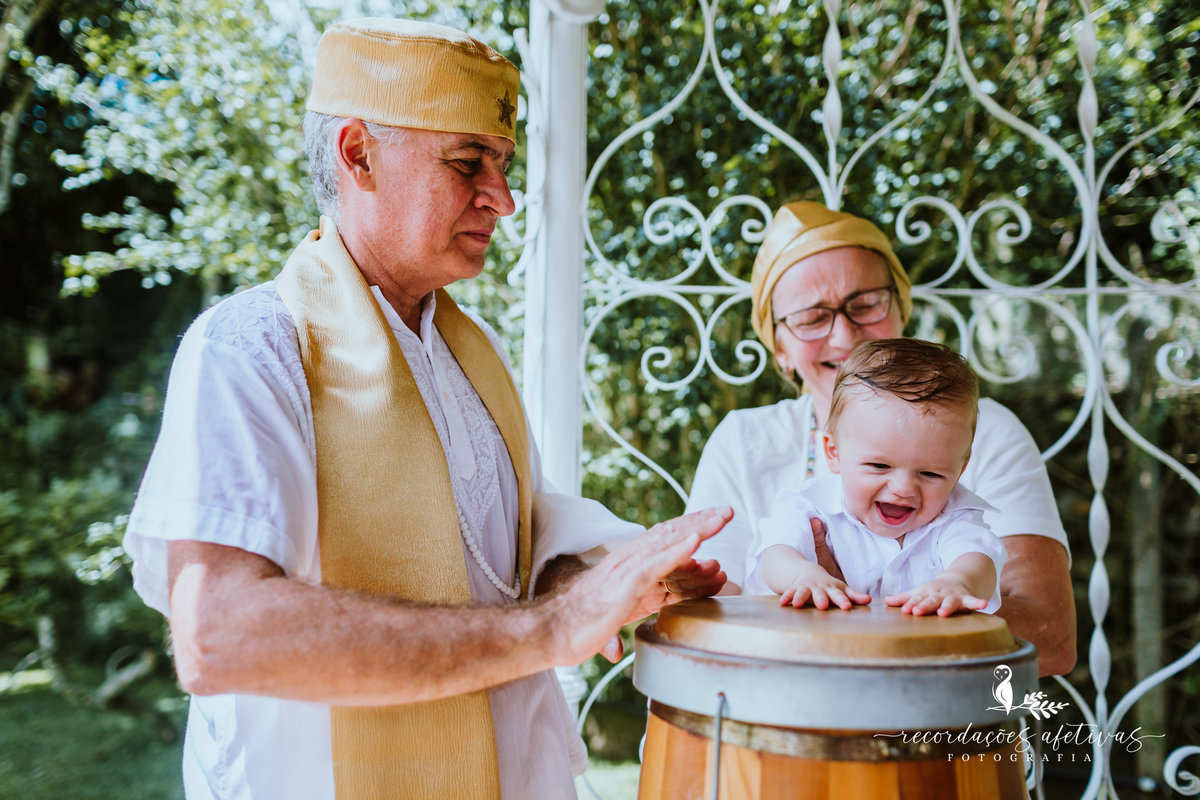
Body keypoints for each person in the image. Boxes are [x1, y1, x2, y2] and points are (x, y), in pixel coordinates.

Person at [123, 18, 730, 800]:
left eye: (503, 165)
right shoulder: (249, 348)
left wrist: (612, 574)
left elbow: (492, 560)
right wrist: (550, 630)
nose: (503, 199)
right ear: (357, 153)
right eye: (468, 162)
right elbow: (221, 633)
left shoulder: (468, 354)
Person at [687, 201, 1076, 675]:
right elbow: (705, 618)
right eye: (812, 317)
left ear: (899, 310)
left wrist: (860, 617)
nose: (845, 333)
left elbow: (1052, 638)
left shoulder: (987, 430)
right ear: (780, 348)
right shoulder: (740, 442)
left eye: (865, 303)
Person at [755, 338, 1006, 617]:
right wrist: (803, 574)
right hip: (818, 653)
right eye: (879, 465)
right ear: (834, 452)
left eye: (930, 473)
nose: (903, 488)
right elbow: (775, 555)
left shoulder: (952, 518)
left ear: (959, 470)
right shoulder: (809, 505)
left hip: (918, 657)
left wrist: (958, 582)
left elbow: (977, 560)